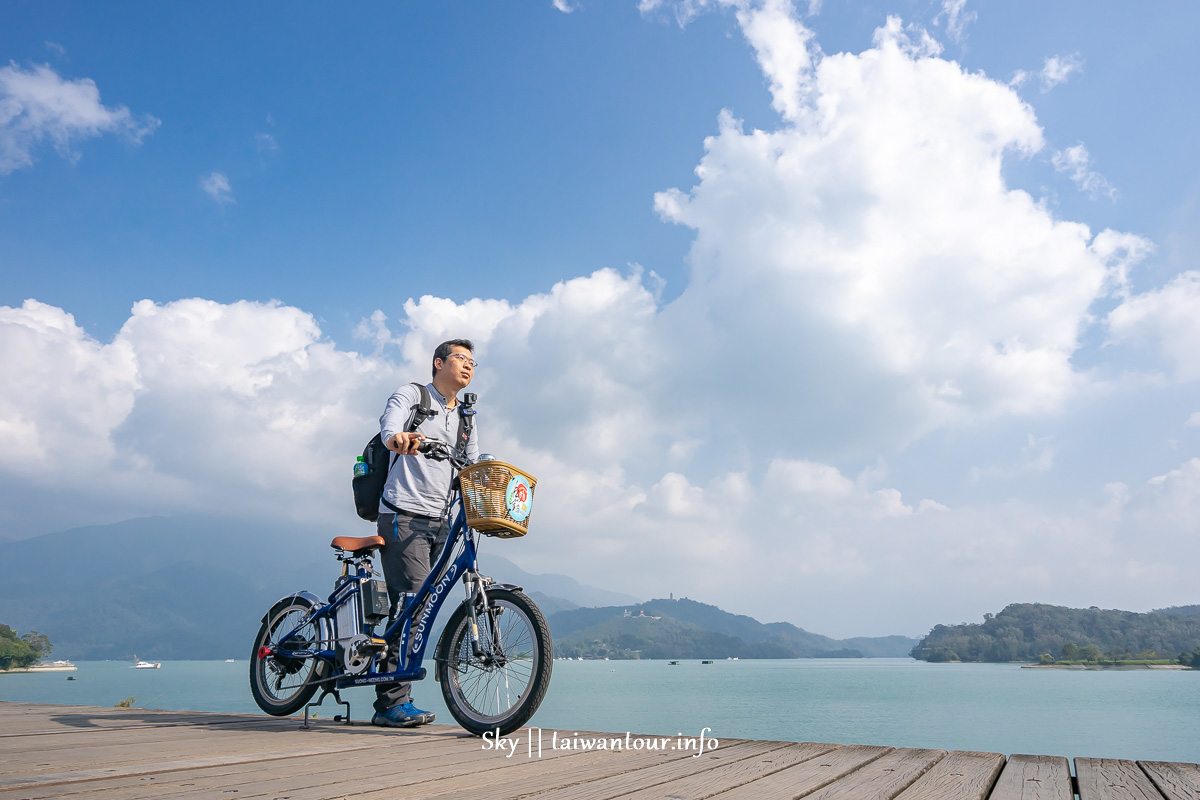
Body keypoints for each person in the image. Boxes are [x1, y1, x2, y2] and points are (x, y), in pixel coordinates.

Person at [371, 338, 480, 728]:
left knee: (423, 604)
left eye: (474, 363)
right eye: (462, 359)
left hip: (441, 520)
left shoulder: (466, 417)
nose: (469, 366)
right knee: (413, 602)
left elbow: (470, 467)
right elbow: (390, 424)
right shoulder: (413, 395)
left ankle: (395, 693)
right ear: (439, 362)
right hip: (403, 514)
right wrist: (395, 438)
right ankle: (390, 703)